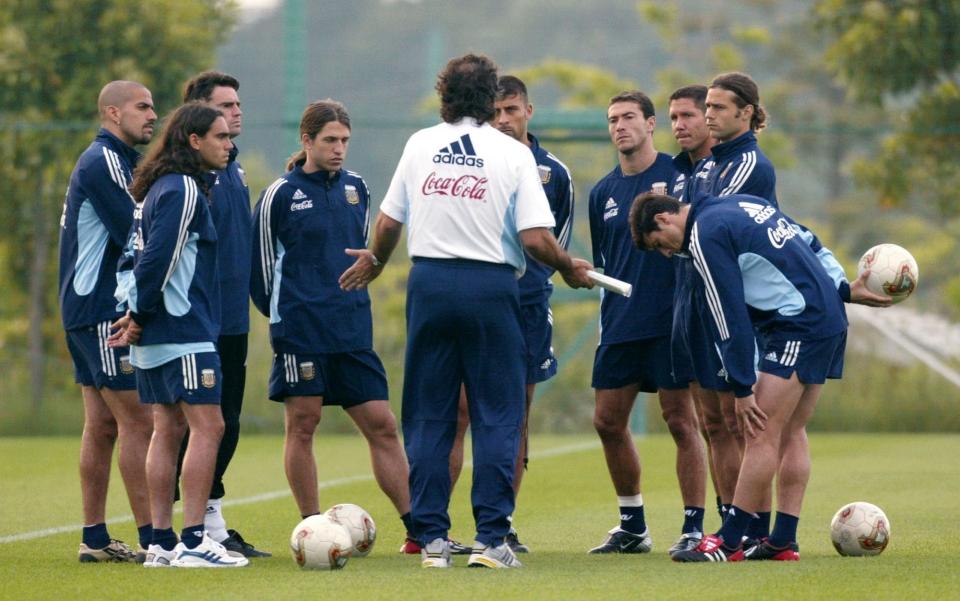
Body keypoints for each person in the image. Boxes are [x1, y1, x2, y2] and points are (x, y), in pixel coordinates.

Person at [339, 53, 593, 569]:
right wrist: (568, 266)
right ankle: (492, 540)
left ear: (445, 95)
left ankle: (432, 539)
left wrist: (378, 261)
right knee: (498, 413)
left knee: (429, 413)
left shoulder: (419, 144)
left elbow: (388, 224)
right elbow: (535, 239)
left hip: (429, 285)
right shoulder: (512, 153)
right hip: (491, 287)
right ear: (489, 97)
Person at [629, 192, 890, 562]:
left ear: (663, 220)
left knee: (760, 431)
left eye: (659, 245)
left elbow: (728, 314)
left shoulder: (703, 234)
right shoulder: (737, 204)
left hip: (797, 324)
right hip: (827, 318)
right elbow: (808, 238)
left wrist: (740, 386)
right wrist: (842, 288)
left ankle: (729, 541)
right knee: (789, 431)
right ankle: (782, 541)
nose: (667, 253)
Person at [249, 100, 414, 546]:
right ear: (307, 141)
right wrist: (289, 313)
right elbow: (261, 271)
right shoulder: (279, 195)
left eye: (344, 140)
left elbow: (366, 254)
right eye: (330, 140)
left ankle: (418, 528)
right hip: (301, 331)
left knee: (382, 423)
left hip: (352, 328)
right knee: (303, 423)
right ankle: (313, 527)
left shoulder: (357, 188)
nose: (339, 148)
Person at [109, 103, 248, 568]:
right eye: (221, 137)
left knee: (167, 429)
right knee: (210, 426)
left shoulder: (156, 190)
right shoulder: (185, 188)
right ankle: (192, 540)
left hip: (156, 330)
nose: (229, 145)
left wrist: (135, 315)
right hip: (182, 326)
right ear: (194, 140)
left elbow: (133, 257)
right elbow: (159, 260)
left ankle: (161, 545)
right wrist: (141, 313)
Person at [444, 74, 575, 555]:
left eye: (512, 111)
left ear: (528, 111)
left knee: (514, 415)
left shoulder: (552, 172)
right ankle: (436, 527)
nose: (503, 120)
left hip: (526, 305)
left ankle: (504, 522)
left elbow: (552, 241)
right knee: (458, 412)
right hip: (476, 298)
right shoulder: (472, 158)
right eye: (495, 112)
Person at [586, 91, 706, 555]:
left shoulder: (680, 177)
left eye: (629, 117)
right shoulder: (602, 193)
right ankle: (632, 525)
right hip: (620, 323)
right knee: (607, 420)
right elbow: (605, 260)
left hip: (672, 321)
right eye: (613, 119)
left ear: (651, 123)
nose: (620, 126)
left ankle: (694, 526)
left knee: (681, 421)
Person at [58, 80, 156, 563]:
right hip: (100, 307)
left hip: (83, 307)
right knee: (138, 419)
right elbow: (138, 232)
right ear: (113, 113)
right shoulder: (106, 161)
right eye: (142, 107)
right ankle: (153, 540)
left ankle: (94, 539)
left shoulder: (117, 161)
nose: (152, 115)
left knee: (101, 425)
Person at [179, 71, 268, 558]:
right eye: (226, 105)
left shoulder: (232, 167)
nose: (237, 112)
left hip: (232, 319)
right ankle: (173, 530)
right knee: (188, 424)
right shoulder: (189, 176)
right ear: (200, 113)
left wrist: (265, 303)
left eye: (238, 104)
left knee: (226, 421)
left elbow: (246, 245)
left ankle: (209, 522)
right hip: (197, 320)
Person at [702, 71, 780, 544]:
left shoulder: (750, 164)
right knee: (719, 420)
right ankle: (744, 525)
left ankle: (756, 530)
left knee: (749, 421)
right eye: (706, 106)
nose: (709, 114)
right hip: (712, 299)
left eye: (718, 107)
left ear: (746, 112)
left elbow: (710, 228)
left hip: (750, 306)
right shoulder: (715, 163)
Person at [667, 85, 741, 540]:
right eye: (674, 117)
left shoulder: (733, 168)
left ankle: (742, 525)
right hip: (687, 307)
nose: (683, 125)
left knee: (734, 421)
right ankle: (721, 520)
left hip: (721, 308)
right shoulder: (681, 175)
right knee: (710, 422)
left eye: (692, 114)